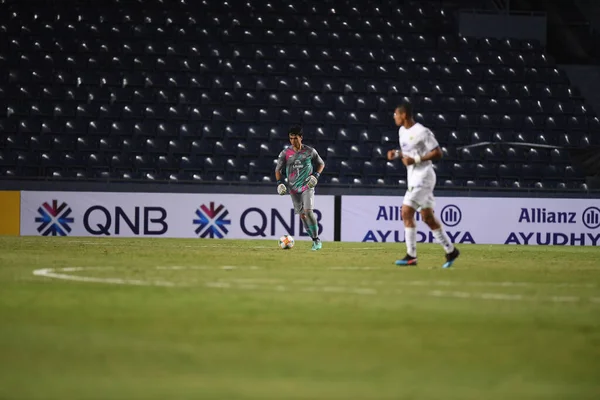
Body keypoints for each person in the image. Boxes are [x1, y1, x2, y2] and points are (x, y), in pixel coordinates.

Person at [387, 102, 460, 268]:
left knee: (406, 212)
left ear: (403, 115)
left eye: (396, 115)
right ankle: (450, 250)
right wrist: (397, 154)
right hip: (413, 177)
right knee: (427, 217)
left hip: (424, 176)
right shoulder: (402, 131)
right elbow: (409, 153)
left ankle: (411, 256)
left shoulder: (422, 131)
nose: (395, 117)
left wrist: (417, 160)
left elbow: (438, 153)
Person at [275, 126, 325, 251]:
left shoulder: (310, 151)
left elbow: (321, 164)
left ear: (301, 137)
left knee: (308, 211)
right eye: (291, 138)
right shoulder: (285, 153)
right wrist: (280, 183)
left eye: (295, 138)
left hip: (307, 186)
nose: (293, 141)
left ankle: (317, 240)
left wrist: (316, 175)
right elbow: (277, 170)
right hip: (293, 188)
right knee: (303, 216)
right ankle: (313, 239)